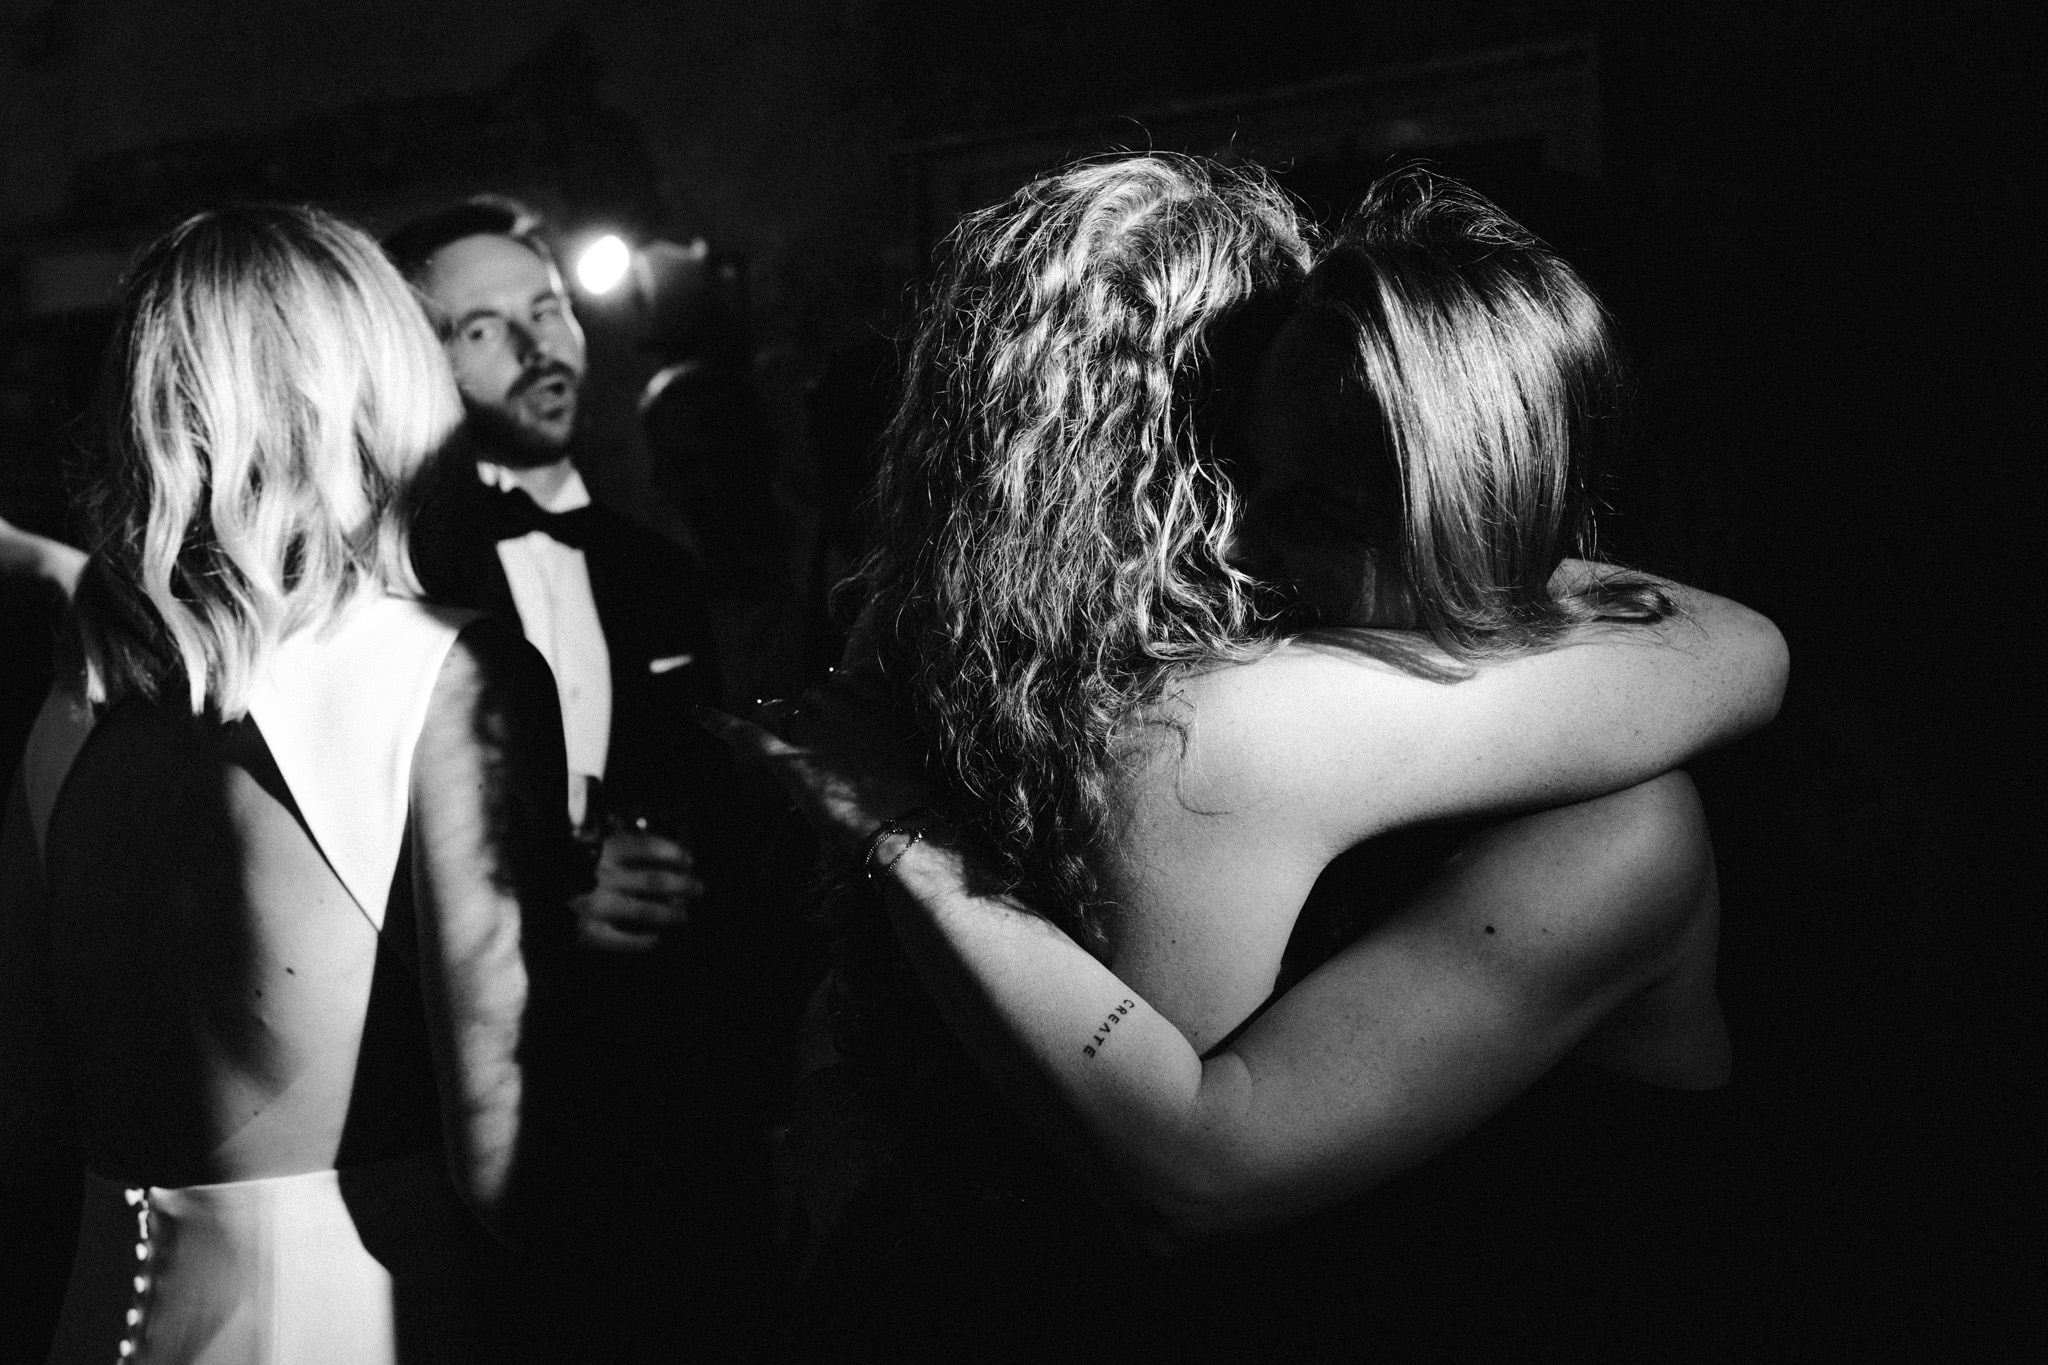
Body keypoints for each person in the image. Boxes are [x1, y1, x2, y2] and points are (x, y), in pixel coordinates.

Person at [708, 156, 1788, 1358]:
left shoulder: (1607, 830)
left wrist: (899, 826)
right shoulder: (1333, 687)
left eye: (1315, 508)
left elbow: (1186, 1179)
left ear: (1461, 507)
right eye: (1239, 469)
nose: (1240, 541)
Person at [0, 205, 568, 1363]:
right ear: (373, 380)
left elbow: (25, 1121)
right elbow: (507, 1162)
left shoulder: (70, 712)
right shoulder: (440, 676)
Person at [383, 198, 786, 1355]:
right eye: (481, 328)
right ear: (418, 361)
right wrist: (553, 897)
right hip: (484, 1096)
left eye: (549, 308)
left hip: (671, 1087)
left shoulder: (655, 569)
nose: (536, 344)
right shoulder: (406, 587)